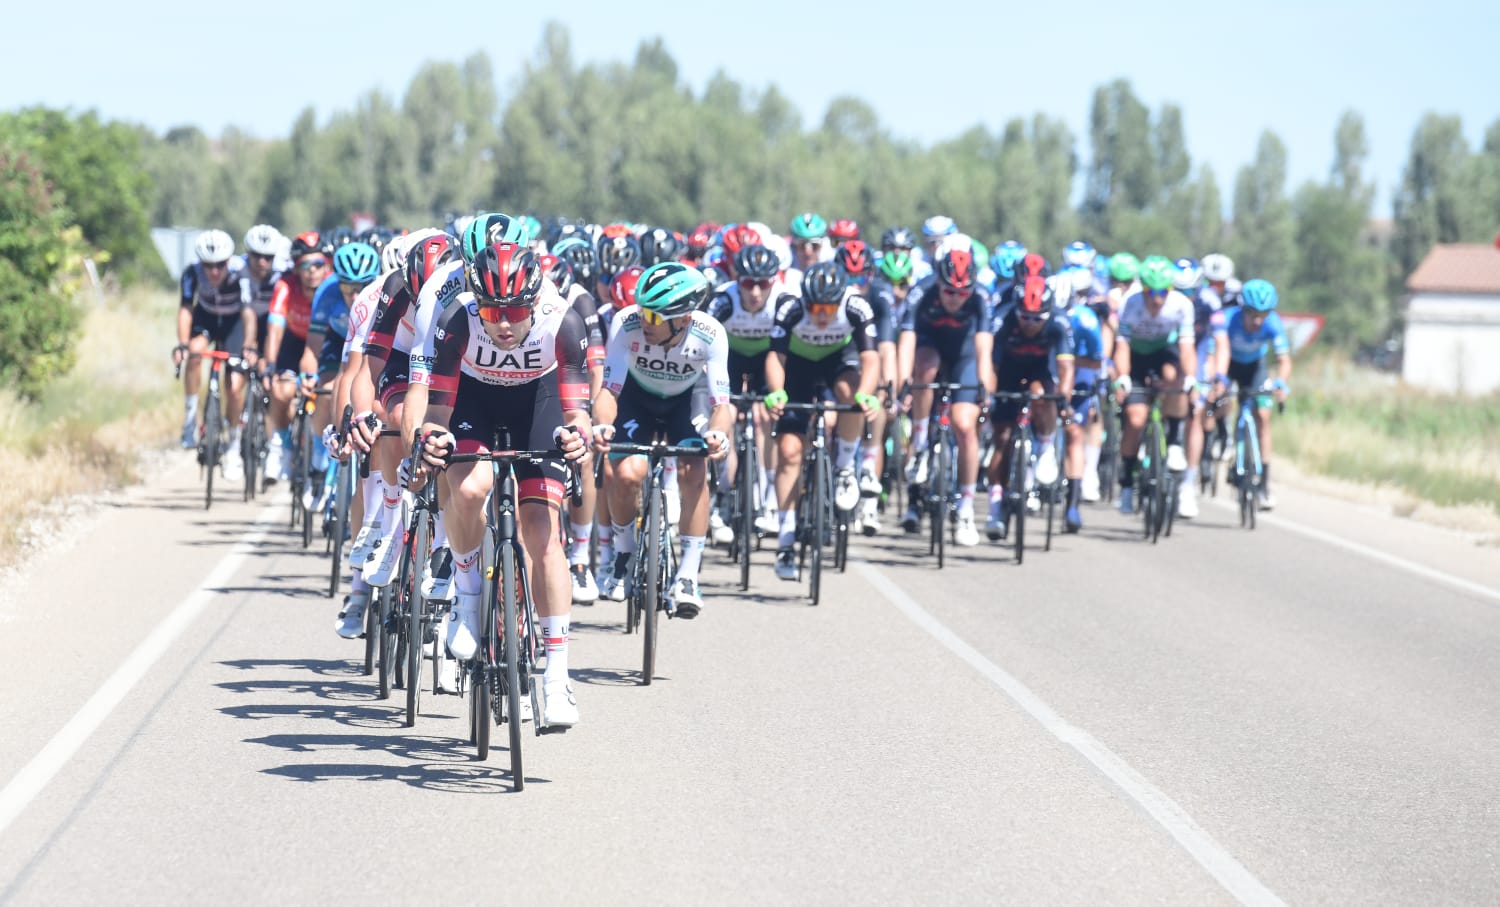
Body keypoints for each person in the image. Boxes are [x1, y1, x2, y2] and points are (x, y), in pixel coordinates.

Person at [411, 242, 591, 728]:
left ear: (533, 301)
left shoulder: (563, 322)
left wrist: (577, 439)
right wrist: (430, 438)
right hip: (475, 404)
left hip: (539, 404)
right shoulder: (459, 321)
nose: (503, 323)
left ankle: (556, 677)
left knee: (542, 533)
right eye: (492, 310)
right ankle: (468, 604)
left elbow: (578, 415)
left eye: (513, 310)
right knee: (468, 490)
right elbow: (437, 414)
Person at [592, 263, 734, 617]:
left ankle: (687, 574)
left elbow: (721, 406)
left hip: (686, 402)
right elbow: (609, 392)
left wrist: (718, 435)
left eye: (655, 318)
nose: (645, 322)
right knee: (627, 474)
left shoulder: (710, 333)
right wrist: (602, 426)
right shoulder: (626, 324)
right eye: (643, 312)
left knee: (694, 469)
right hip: (635, 400)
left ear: (684, 320)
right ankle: (623, 554)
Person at [761, 263, 881, 579]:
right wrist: (776, 392)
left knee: (851, 396)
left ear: (839, 301)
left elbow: (871, 358)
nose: (822, 314)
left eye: (828, 307)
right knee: (788, 451)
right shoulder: (789, 308)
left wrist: (867, 395)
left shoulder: (856, 305)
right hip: (798, 365)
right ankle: (786, 541)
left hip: (837, 360)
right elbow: (776, 356)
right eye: (815, 307)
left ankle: (843, 468)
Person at [898, 248, 995, 546]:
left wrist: (984, 387)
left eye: (962, 293)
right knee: (925, 368)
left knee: (964, 426)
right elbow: (907, 341)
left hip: (964, 354)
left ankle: (965, 507)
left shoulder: (980, 298)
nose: (955, 299)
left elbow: (983, 349)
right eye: (949, 291)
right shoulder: (921, 293)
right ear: (938, 283)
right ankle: (920, 442)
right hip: (929, 347)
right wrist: (903, 384)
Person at [984, 275, 1074, 539]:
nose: (1031, 324)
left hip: (1040, 370)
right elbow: (991, 366)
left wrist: (1063, 402)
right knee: (1001, 439)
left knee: (1042, 395)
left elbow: (1066, 368)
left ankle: (1045, 448)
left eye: (1037, 319)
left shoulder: (1058, 322)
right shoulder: (1002, 320)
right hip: (1007, 372)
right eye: (1025, 317)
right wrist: (989, 397)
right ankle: (995, 507)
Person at [1112, 256, 1196, 515]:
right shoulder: (1131, 304)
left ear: (1170, 290)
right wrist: (1123, 376)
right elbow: (1122, 346)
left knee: (1176, 380)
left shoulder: (1181, 305)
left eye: (1162, 292)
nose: (1156, 299)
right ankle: (1126, 484)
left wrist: (1191, 377)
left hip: (1163, 351)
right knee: (1136, 421)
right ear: (1143, 289)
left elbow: (1186, 347)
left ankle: (1172, 443)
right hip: (1135, 355)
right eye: (1151, 292)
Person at [174, 229, 254, 474]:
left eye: (220, 264)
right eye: (209, 266)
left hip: (233, 324)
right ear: (201, 263)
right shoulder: (192, 272)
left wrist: (249, 345)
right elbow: (186, 309)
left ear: (228, 260)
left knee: (233, 384)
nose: (215, 271)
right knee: (195, 352)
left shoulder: (241, 271)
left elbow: (249, 313)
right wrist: (183, 344)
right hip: (206, 318)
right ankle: (189, 420)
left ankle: (233, 443)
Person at [263, 231, 331, 482]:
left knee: (328, 394)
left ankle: (319, 447)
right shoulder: (286, 286)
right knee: (281, 391)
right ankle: (281, 446)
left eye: (318, 264)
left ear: (328, 265)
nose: (312, 271)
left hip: (324, 346)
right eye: (305, 265)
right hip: (293, 343)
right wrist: (269, 365)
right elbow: (275, 328)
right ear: (295, 267)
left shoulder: (334, 285)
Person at [1222, 279, 1291, 509]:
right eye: (1252, 314)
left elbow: (1284, 359)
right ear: (1242, 309)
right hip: (1229, 364)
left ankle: (1263, 484)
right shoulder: (1228, 319)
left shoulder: (1273, 323)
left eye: (1263, 314)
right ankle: (1222, 437)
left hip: (1255, 367)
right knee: (1221, 402)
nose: (1258, 320)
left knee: (1263, 416)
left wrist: (1281, 382)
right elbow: (1216, 354)